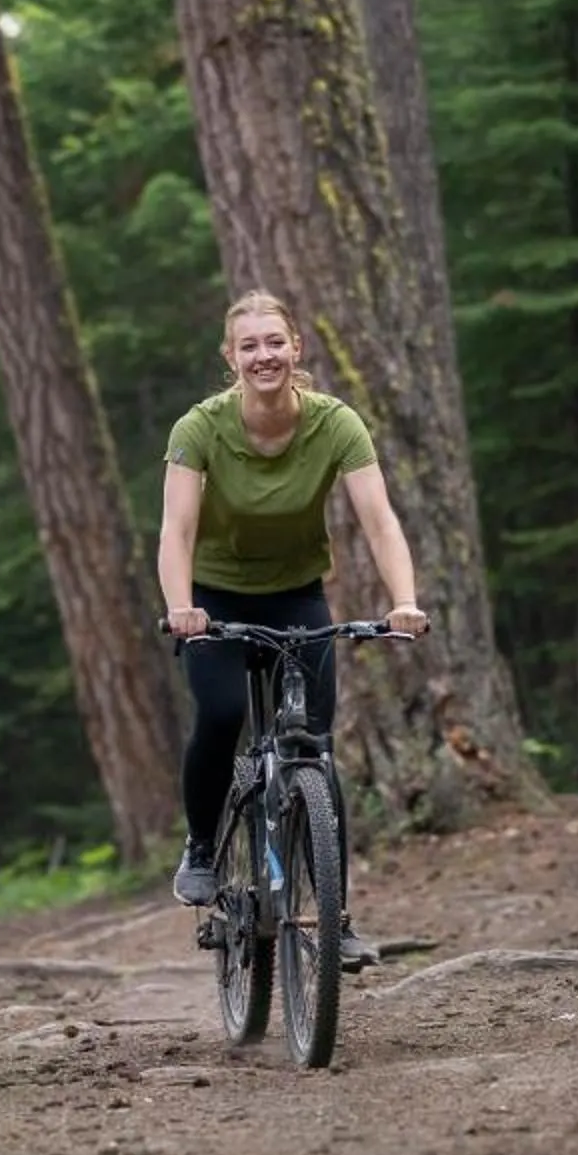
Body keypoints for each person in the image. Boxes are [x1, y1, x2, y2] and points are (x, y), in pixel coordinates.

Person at [156, 290, 430, 970]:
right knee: (220, 716)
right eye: (249, 346)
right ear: (231, 358)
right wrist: (183, 606)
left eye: (274, 342)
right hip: (216, 599)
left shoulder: (336, 425)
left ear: (296, 348)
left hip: (298, 596)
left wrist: (404, 600)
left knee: (313, 750)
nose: (263, 356)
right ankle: (200, 847)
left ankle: (333, 916)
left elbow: (380, 519)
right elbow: (176, 529)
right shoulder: (199, 428)